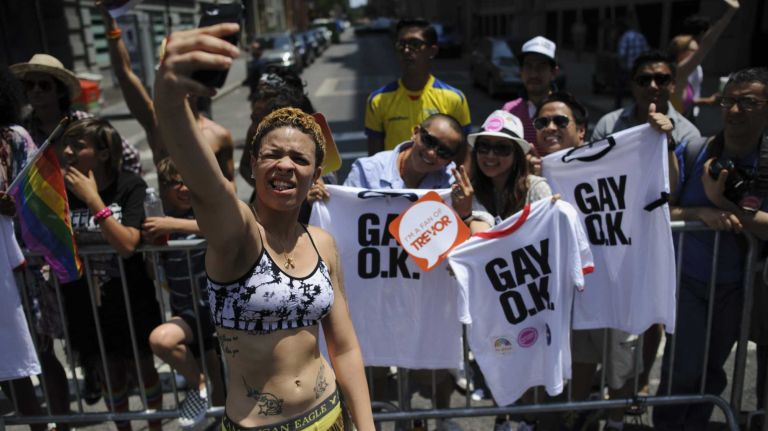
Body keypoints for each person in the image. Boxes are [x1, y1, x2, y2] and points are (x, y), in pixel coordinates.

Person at [154, 22, 375, 431]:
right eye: (273, 154)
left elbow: (343, 347)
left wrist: (367, 428)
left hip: (329, 418)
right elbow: (206, 185)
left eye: (300, 159)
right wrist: (168, 99)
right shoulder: (237, 234)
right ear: (253, 165)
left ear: (315, 175)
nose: (286, 165)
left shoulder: (323, 243)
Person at [655, 67, 768, 430]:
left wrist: (723, 202)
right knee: (682, 368)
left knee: (711, 373)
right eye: (729, 101)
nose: (735, 110)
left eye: (748, 102)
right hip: (688, 280)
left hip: (738, 287)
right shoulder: (695, 149)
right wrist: (701, 211)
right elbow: (663, 210)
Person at [343, 113, 467, 431]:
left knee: (434, 366)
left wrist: (464, 211)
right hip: (374, 292)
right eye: (429, 141)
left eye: (444, 152)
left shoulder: (452, 183)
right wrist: (322, 198)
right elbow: (342, 224)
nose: (432, 153)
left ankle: (441, 419)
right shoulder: (367, 170)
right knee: (374, 369)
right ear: (415, 132)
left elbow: (464, 236)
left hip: (423, 292)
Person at [58, 118, 163, 431]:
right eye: (66, 144)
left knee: (142, 370)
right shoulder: (62, 190)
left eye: (77, 146)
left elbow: (128, 243)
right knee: (109, 372)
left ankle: (156, 427)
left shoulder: (129, 185)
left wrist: (93, 199)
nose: (67, 152)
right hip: (85, 299)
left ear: (103, 153)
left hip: (129, 295)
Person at [98, 3, 235, 181]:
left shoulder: (220, 136)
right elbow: (124, 74)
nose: (177, 84)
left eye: (184, 76)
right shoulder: (157, 125)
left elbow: (230, 187)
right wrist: (111, 26)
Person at [145, 157, 225, 429]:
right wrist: (151, 248)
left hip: (217, 309)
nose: (182, 188)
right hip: (186, 311)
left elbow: (220, 226)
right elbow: (153, 273)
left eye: (187, 181)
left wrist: (172, 225)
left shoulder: (203, 213)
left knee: (223, 388)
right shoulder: (159, 222)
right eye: (174, 183)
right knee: (163, 342)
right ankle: (198, 383)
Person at [0, 66, 52, 431]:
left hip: (22, 269)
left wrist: (13, 207)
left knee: (38, 354)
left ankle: (50, 425)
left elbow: (40, 199)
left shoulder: (14, 139)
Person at [10, 53, 142, 175]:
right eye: (30, 85)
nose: (36, 90)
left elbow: (130, 156)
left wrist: (123, 193)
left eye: (44, 85)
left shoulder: (85, 122)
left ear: (60, 91)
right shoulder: (21, 132)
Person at [364, 18, 471, 156]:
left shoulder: (455, 98)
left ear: (432, 51)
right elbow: (374, 158)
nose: (407, 50)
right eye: (401, 45)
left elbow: (464, 154)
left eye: (414, 44)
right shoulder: (377, 100)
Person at [593, 50, 701, 146]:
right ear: (632, 85)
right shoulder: (608, 126)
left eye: (661, 79)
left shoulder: (688, 134)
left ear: (673, 85)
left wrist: (668, 142)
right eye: (644, 80)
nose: (652, 86)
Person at [667, 0, 740, 116]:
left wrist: (708, 101)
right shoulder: (679, 71)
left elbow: (685, 101)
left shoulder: (682, 76)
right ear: (679, 52)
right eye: (693, 51)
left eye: (697, 51)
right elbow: (707, 44)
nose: (697, 55)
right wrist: (730, 13)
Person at [501, 36, 560, 150]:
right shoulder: (509, 111)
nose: (533, 74)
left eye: (541, 67)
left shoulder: (565, 112)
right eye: (528, 66)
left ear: (553, 72)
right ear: (521, 71)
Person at [527, 91, 589, 175]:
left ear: (581, 130)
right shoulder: (532, 171)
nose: (550, 128)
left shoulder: (600, 165)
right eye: (542, 122)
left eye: (560, 121)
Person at [614, 17, 649, 109]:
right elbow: (646, 52)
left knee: (620, 88)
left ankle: (618, 107)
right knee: (636, 88)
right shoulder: (641, 36)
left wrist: (620, 65)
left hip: (627, 68)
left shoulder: (625, 37)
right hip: (639, 68)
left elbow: (621, 54)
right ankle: (636, 107)